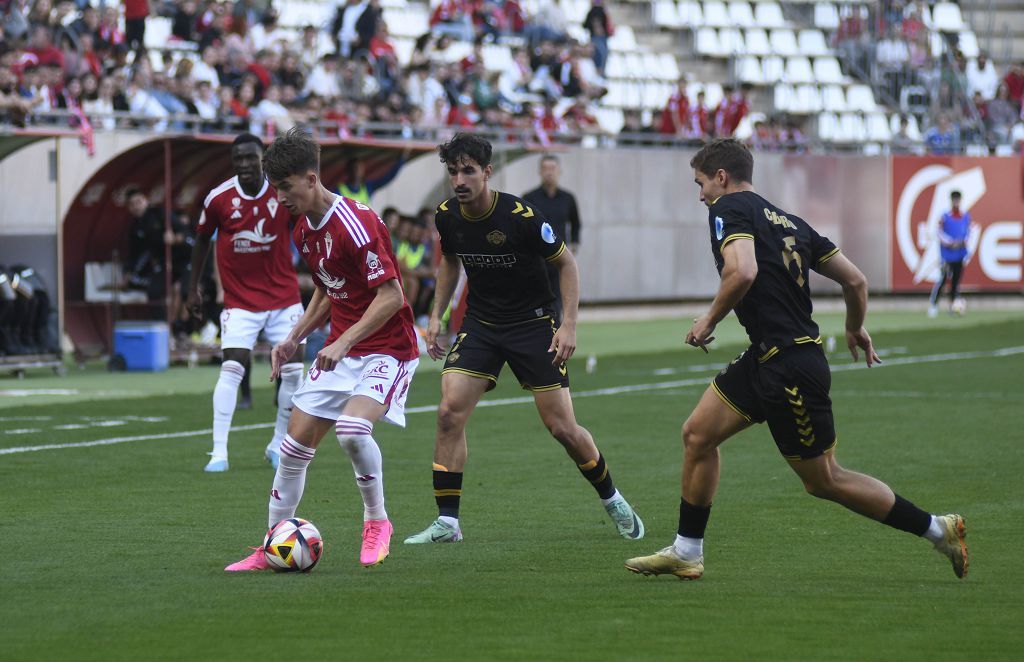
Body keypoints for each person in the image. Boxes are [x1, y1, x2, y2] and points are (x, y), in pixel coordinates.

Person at [624, 139, 968, 581]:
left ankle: (938, 530)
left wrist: (709, 319)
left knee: (823, 480)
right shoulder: (791, 222)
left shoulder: (728, 210)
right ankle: (687, 551)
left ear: (722, 178)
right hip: (766, 357)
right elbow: (856, 280)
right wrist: (854, 326)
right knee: (697, 435)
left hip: (790, 368)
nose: (700, 195)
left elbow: (742, 270)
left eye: (701, 183)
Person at [403, 133, 644, 544]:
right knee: (448, 413)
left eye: (468, 171)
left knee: (562, 428)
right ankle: (448, 523)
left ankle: (613, 499)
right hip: (481, 324)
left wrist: (568, 325)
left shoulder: (521, 216)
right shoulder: (447, 216)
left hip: (534, 324)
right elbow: (449, 261)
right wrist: (436, 317)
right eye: (453, 171)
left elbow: (567, 264)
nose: (459, 179)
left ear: (487, 173)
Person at [225, 127, 419, 571]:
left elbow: (392, 296)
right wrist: (295, 335)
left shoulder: (357, 222)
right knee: (293, 449)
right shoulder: (303, 230)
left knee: (352, 431)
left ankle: (377, 521)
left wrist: (345, 340)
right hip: (342, 349)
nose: (280, 198)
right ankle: (271, 545)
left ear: (311, 179)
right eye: (276, 190)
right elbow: (328, 287)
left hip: (388, 349)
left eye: (286, 188)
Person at [187, 134, 305, 473]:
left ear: (262, 158)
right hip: (240, 300)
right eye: (237, 159)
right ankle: (218, 453)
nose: (243, 165)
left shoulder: (282, 193)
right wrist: (193, 287)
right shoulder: (219, 198)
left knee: (294, 373)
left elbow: (306, 226)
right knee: (232, 368)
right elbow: (200, 241)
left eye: (249, 158)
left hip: (284, 297)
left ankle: (277, 444)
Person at [523, 154, 581, 324]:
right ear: (540, 172)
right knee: (535, 299)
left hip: (559, 259)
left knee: (558, 299)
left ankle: (556, 333)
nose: (549, 172)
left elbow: (576, 223)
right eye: (545, 169)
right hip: (536, 259)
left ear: (559, 171)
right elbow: (522, 227)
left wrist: (575, 243)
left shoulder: (568, 198)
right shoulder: (529, 198)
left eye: (552, 168)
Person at [928, 190, 973, 318]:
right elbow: (938, 232)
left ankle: (953, 306)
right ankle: (933, 304)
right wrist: (950, 242)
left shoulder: (965, 216)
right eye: (954, 199)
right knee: (943, 280)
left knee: (955, 283)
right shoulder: (945, 216)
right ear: (951, 200)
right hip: (947, 255)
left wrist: (963, 242)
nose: (956, 202)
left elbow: (969, 232)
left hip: (960, 255)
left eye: (958, 199)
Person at [337, 153, 407, 206]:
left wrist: (401, 161)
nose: (359, 171)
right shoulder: (339, 190)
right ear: (349, 170)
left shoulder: (367, 187)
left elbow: (387, 178)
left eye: (361, 168)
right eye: (356, 168)